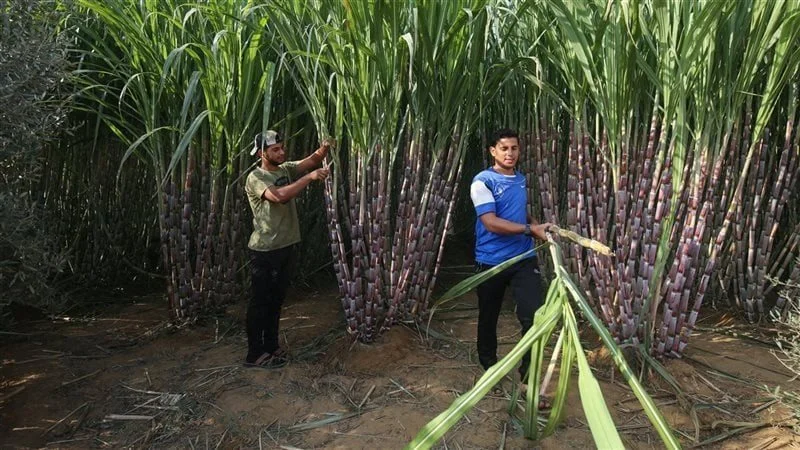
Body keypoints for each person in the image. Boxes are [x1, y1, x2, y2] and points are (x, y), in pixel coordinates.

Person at [470, 128, 553, 394]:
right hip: (491, 261)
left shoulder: (520, 179)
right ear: (493, 151)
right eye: (504, 148)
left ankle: (528, 378)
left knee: (534, 316)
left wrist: (534, 224)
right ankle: (489, 368)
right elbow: (490, 222)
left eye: (514, 148)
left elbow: (516, 212)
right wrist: (530, 231)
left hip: (523, 258)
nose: (510, 153)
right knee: (488, 317)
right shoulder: (482, 181)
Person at [243, 130, 331, 368]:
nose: (281, 152)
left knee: (276, 300)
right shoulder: (256, 177)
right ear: (262, 153)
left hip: (285, 246)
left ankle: (272, 347)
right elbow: (279, 196)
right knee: (260, 302)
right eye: (275, 150)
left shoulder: (284, 169)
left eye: (282, 148)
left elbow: (310, 161)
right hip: (265, 249)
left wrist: (325, 145)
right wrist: (309, 178)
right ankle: (254, 354)